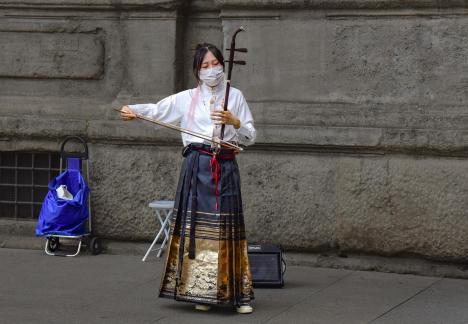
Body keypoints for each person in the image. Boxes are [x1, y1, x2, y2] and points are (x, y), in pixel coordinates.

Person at [120, 43, 256, 314]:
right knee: (199, 230)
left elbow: (251, 137)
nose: (211, 70)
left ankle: (237, 294)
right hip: (197, 165)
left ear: (223, 65)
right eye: (204, 66)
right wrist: (132, 110)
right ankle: (201, 293)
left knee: (227, 229)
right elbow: (158, 110)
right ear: (197, 70)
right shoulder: (187, 98)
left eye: (215, 64)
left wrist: (235, 122)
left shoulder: (235, 96)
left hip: (225, 166)